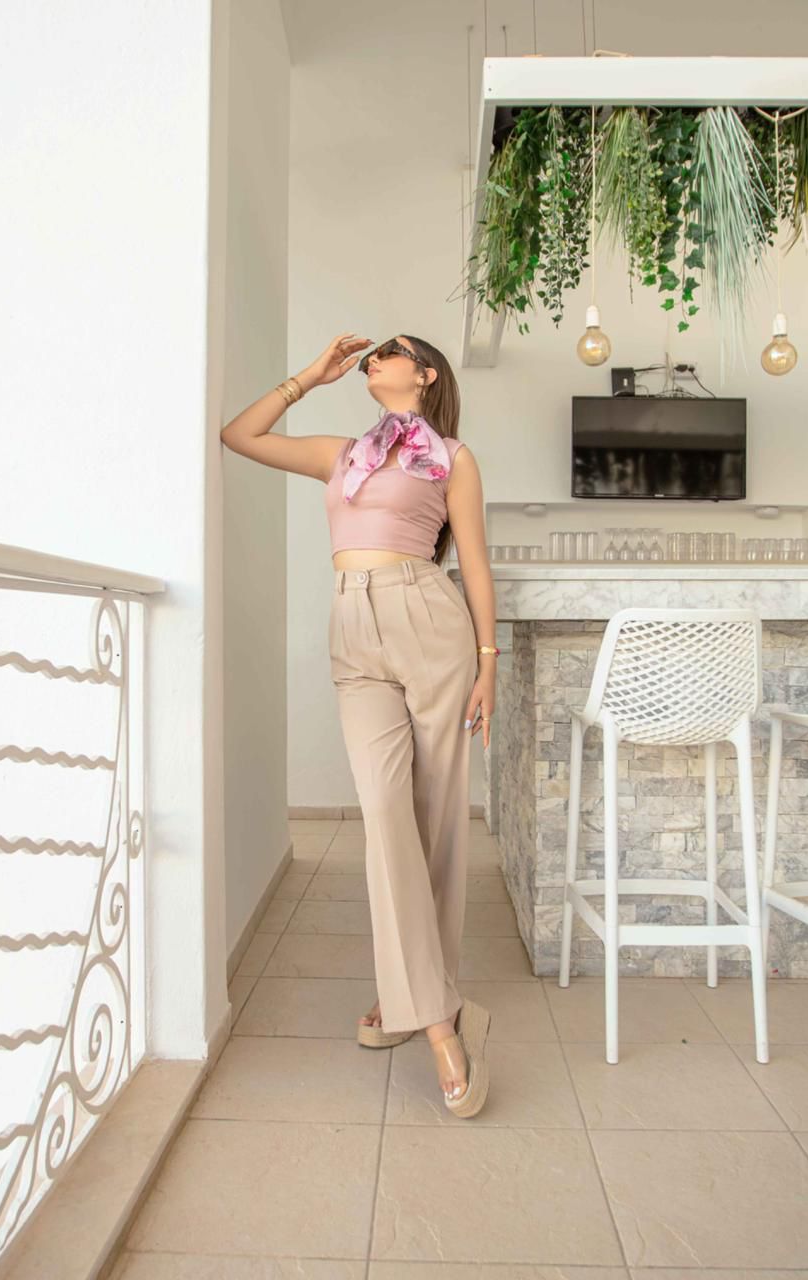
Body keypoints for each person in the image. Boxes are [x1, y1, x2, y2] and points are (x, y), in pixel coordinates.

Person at [221, 331, 497, 1118]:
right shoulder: (342, 454)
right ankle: (437, 1014)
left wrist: (490, 661)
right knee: (383, 815)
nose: (373, 358)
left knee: (435, 819)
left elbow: (474, 562)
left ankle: (417, 1002)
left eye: (390, 351)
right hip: (354, 629)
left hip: (429, 618)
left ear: (426, 373)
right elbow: (241, 435)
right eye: (369, 355)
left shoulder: (454, 458)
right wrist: (310, 376)